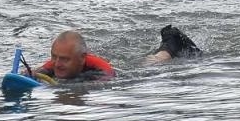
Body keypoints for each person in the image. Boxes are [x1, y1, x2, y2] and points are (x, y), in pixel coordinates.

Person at [43, 26, 201, 82]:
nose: (57, 64)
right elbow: (36, 73)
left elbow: (107, 80)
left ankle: (173, 41)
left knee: (152, 64)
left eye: (64, 59)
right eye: (54, 57)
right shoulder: (57, 63)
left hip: (124, 70)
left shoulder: (99, 70)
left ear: (82, 58)